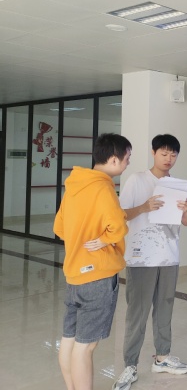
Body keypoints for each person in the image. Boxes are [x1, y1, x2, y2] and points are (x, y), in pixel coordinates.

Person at [113, 134, 187, 390]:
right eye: (164, 154)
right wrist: (144, 207)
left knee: (165, 309)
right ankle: (130, 365)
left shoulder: (177, 185)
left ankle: (162, 356)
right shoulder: (137, 180)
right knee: (137, 313)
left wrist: (186, 211)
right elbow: (120, 214)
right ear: (153, 153)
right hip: (141, 257)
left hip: (169, 257)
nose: (169, 159)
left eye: (173, 155)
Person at [54, 133, 132, 390]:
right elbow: (118, 227)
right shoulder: (103, 187)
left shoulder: (75, 185)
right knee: (85, 347)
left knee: (69, 339)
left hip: (75, 274)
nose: (128, 163)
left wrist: (84, 237)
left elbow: (59, 228)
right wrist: (103, 239)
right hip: (97, 275)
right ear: (113, 159)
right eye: (127, 158)